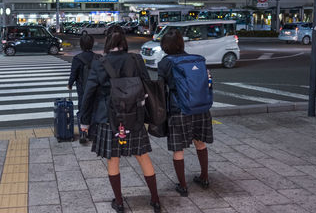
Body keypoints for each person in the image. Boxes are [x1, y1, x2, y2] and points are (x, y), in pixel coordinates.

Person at [79, 25, 161, 213]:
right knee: (143, 156)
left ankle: (119, 202)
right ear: (123, 41)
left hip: (109, 119)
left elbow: (88, 93)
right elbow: (146, 84)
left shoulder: (100, 63)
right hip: (134, 116)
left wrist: (84, 121)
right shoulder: (136, 59)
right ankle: (155, 200)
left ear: (107, 42)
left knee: (113, 159)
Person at [157, 29, 214, 197]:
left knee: (178, 149)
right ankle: (204, 177)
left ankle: (183, 186)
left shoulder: (165, 63)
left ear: (165, 46)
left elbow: (161, 88)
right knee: (200, 143)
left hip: (179, 109)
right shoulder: (196, 59)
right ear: (181, 43)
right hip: (201, 108)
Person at [67, 34, 99, 144]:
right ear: (92, 44)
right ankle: (93, 134)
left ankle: (83, 133)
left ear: (81, 45)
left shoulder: (77, 58)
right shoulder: (98, 57)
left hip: (82, 89)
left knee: (83, 109)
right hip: (95, 89)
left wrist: (70, 84)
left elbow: (73, 73)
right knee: (94, 109)